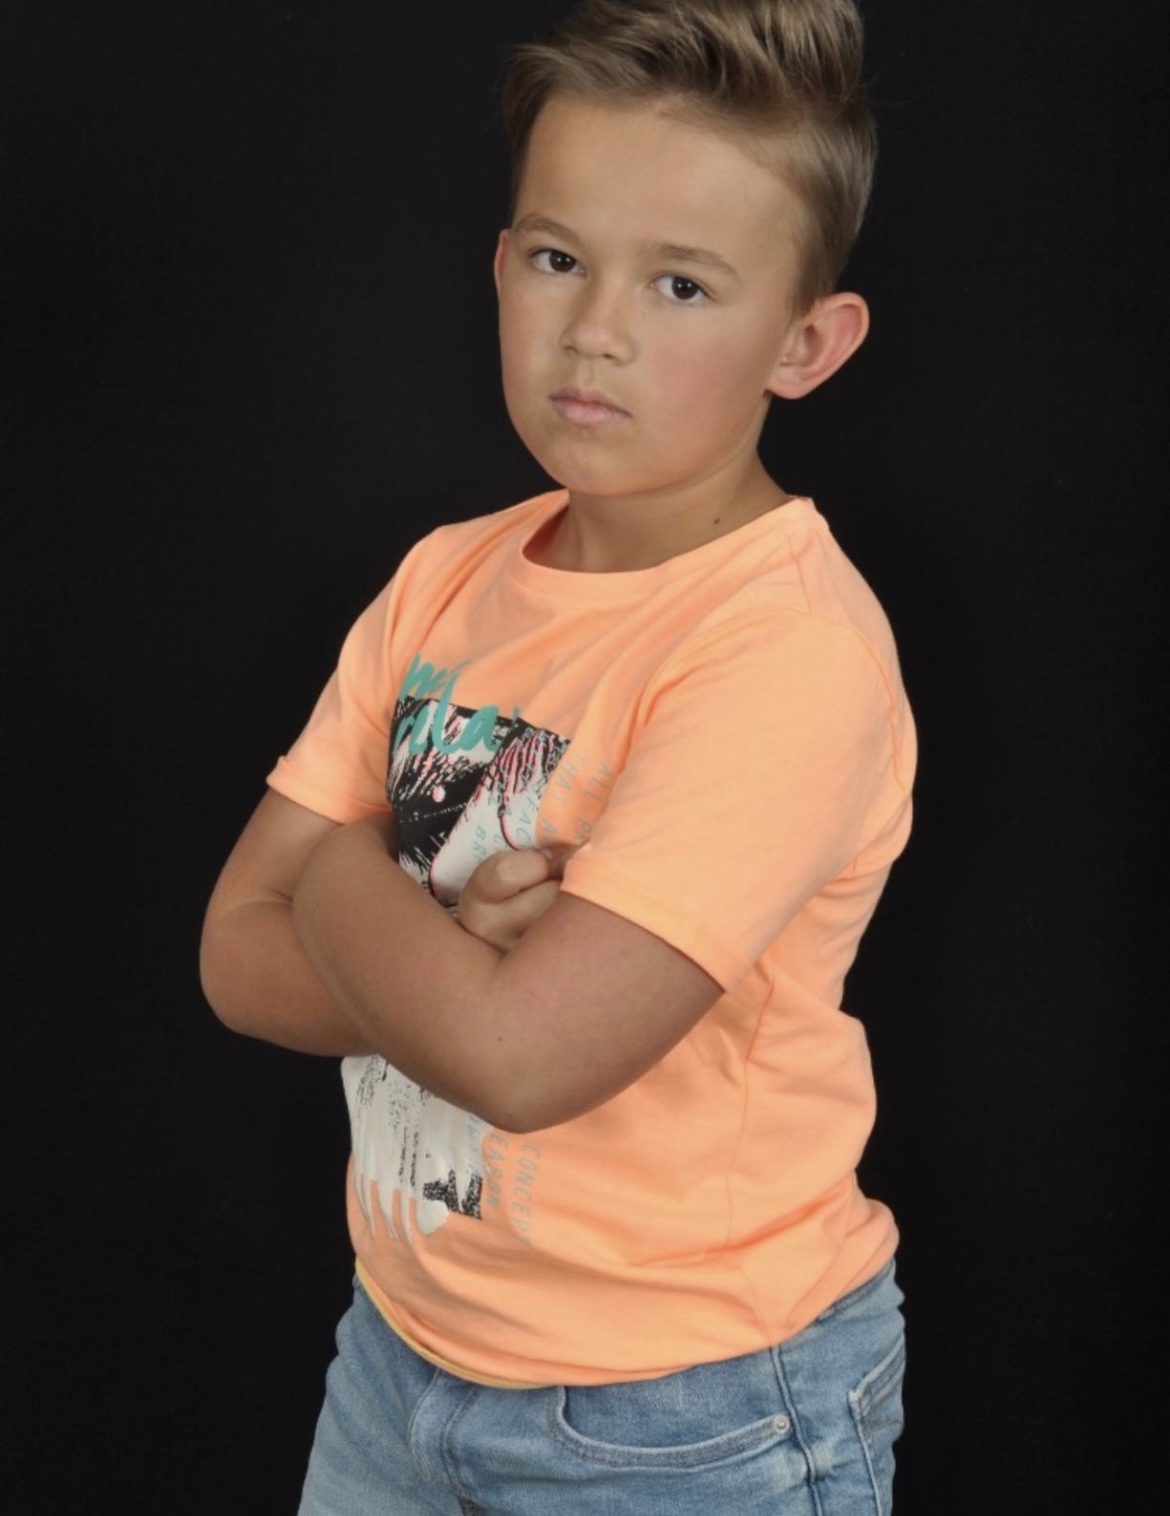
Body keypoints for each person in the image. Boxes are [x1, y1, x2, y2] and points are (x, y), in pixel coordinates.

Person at [200, 0, 917, 1510]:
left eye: (680, 284)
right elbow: (230, 961)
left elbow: (522, 1060)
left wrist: (341, 871)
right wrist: (451, 952)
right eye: (556, 259)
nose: (596, 330)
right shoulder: (444, 579)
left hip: (691, 1409)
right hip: (400, 1348)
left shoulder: (782, 652)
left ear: (806, 344)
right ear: (500, 265)